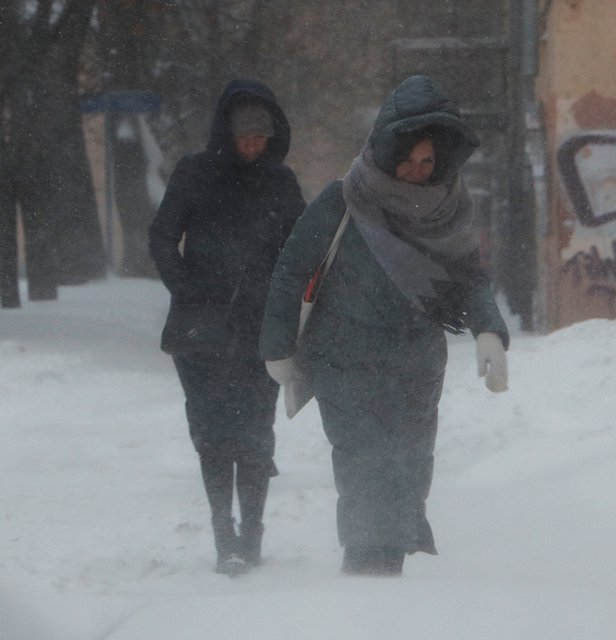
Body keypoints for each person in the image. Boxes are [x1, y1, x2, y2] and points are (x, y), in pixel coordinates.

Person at [259, 75, 509, 576]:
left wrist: (489, 331)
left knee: (410, 467)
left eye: (427, 162)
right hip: (343, 356)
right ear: (385, 150)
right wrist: (278, 346)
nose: (416, 172)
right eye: (407, 159)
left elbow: (468, 277)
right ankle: (367, 576)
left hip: (415, 364)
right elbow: (292, 268)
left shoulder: (448, 208)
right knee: (363, 463)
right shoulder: (343, 200)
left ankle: (384, 571)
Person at [149, 79, 306, 576]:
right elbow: (161, 236)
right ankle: (224, 536)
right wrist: (187, 289)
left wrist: (285, 301)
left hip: (261, 330)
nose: (253, 146)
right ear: (227, 133)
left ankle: (252, 535)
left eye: (262, 137)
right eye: (245, 137)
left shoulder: (280, 183)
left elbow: (300, 251)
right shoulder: (194, 174)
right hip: (201, 332)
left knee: (256, 433)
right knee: (214, 434)